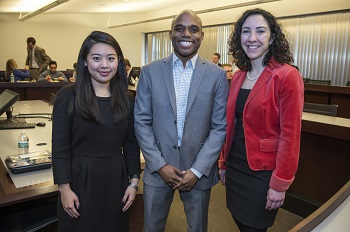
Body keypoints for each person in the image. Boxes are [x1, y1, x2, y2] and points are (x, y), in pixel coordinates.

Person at [134, 9, 229, 232]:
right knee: (151, 228)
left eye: (193, 29)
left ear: (202, 35)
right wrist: (159, 165)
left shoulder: (216, 75)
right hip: (158, 170)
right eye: (180, 28)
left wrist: (197, 171)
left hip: (198, 171)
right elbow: (141, 121)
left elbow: (219, 127)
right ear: (170, 34)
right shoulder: (150, 72)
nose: (186, 34)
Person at [218, 8, 304, 232]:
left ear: (272, 37)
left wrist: (280, 183)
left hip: (263, 173)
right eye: (246, 31)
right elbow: (231, 125)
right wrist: (223, 162)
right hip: (236, 166)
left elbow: (290, 136)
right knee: (239, 221)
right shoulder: (238, 76)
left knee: (254, 227)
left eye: (260, 31)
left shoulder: (286, 75)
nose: (252, 38)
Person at [51, 31, 141, 231]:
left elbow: (131, 144)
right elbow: (60, 148)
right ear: (84, 61)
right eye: (96, 58)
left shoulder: (127, 99)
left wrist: (134, 182)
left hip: (115, 182)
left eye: (111, 58)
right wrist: (64, 189)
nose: (104, 65)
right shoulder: (67, 97)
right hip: (79, 183)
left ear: (118, 61)